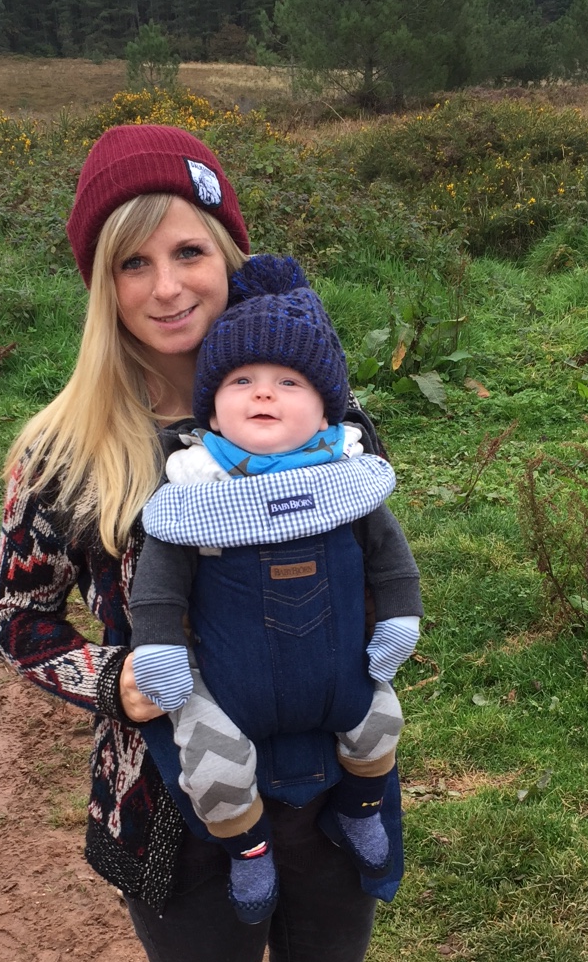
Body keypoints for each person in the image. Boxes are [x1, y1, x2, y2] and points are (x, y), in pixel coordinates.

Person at [0, 123, 409, 962]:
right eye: (131, 262)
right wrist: (113, 682)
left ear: (230, 253)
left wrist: (373, 653)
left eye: (189, 251)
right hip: (170, 810)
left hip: (330, 785)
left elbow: (368, 559)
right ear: (99, 283)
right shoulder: (63, 449)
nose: (166, 286)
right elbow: (16, 622)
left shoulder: (314, 404)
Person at [128, 284, 422, 924]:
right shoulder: (194, 492)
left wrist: (401, 618)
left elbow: (391, 560)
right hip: (229, 691)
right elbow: (159, 586)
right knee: (214, 769)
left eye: (289, 382)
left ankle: (360, 810)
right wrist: (155, 648)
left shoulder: (346, 480)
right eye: (241, 381)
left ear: (327, 415)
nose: (263, 394)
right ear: (211, 413)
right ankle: (249, 849)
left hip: (342, 679)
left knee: (379, 725)